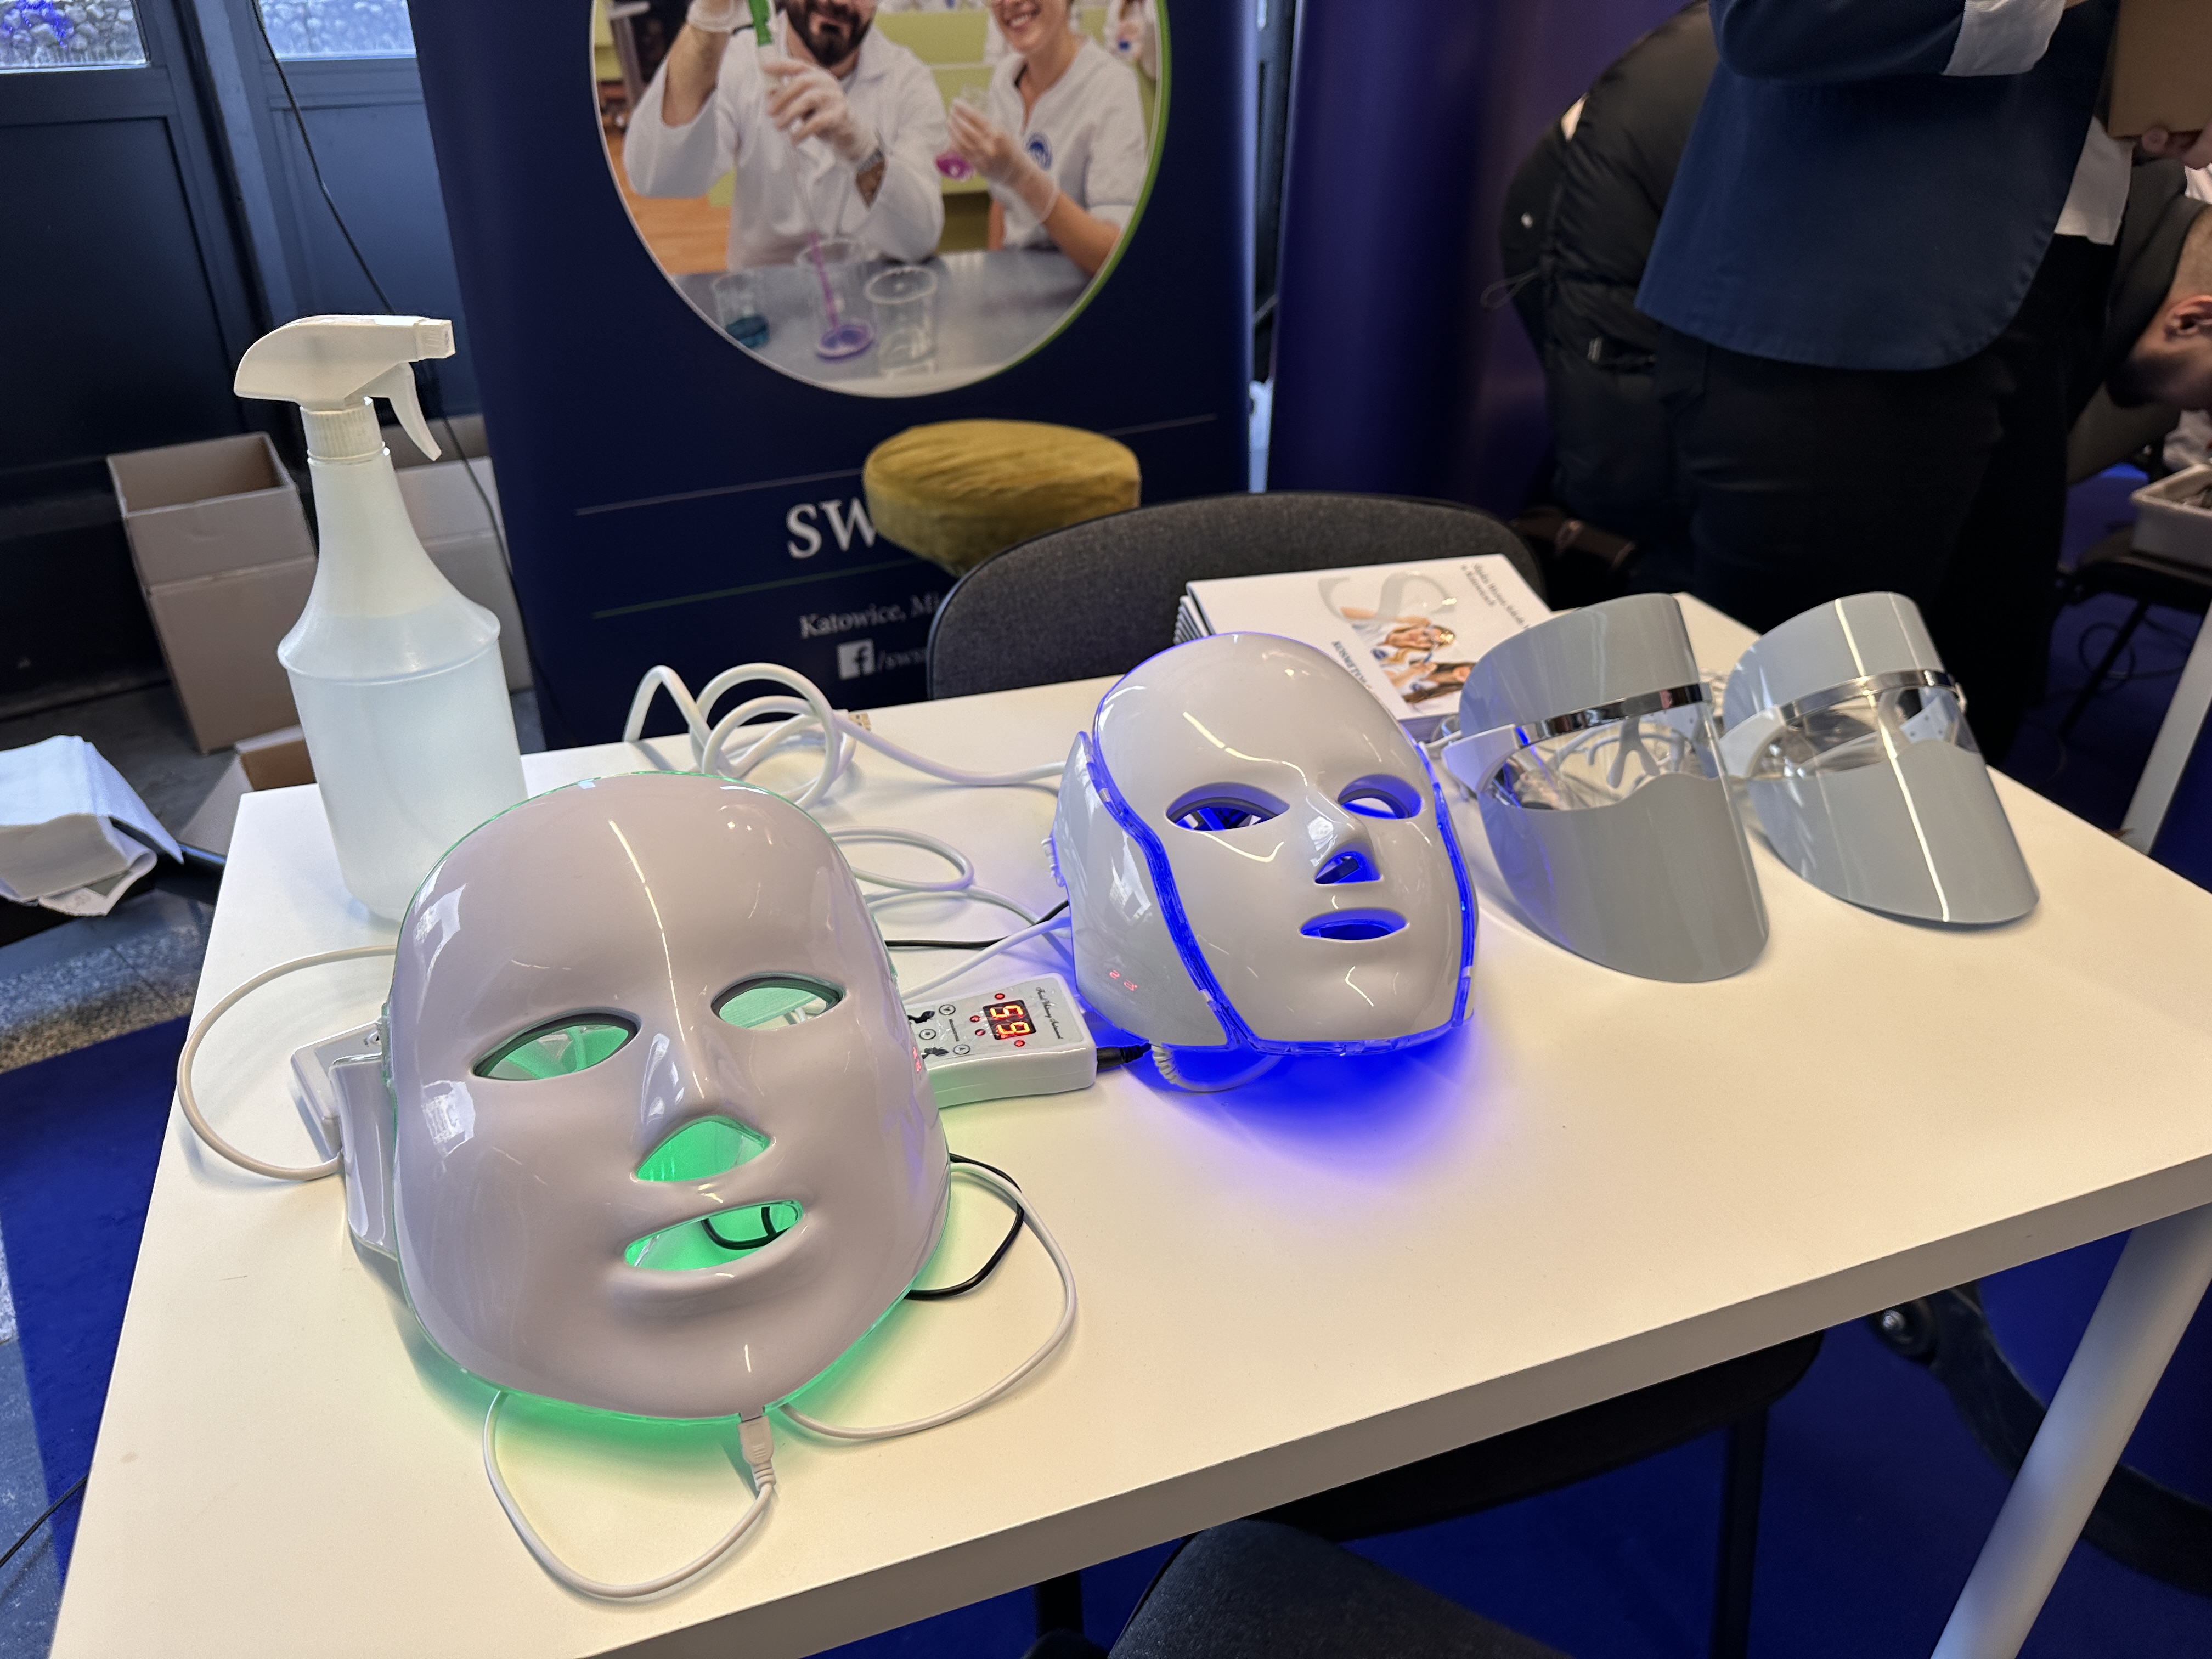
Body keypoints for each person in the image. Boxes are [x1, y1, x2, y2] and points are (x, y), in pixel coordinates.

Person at [1628, 0, 2212, 761]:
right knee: (1799, 747)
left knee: (1968, 737)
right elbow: (1770, 20)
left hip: (2050, 285)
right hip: (1854, 288)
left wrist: (2171, 87)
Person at [623, 0, 945, 270]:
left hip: (874, 290)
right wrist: (708, 23)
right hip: (764, 294)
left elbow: (917, 238)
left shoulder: (908, 81)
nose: (840, 2)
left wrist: (860, 147)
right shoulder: (739, 61)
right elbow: (660, 176)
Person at [945, 0, 1148, 279]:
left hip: (1081, 289)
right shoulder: (1004, 79)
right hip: (1017, 282)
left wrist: (1023, 177)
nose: (1010, 3)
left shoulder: (1112, 87)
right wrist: (996, 278)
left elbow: (1113, 252)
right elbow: (1002, 203)